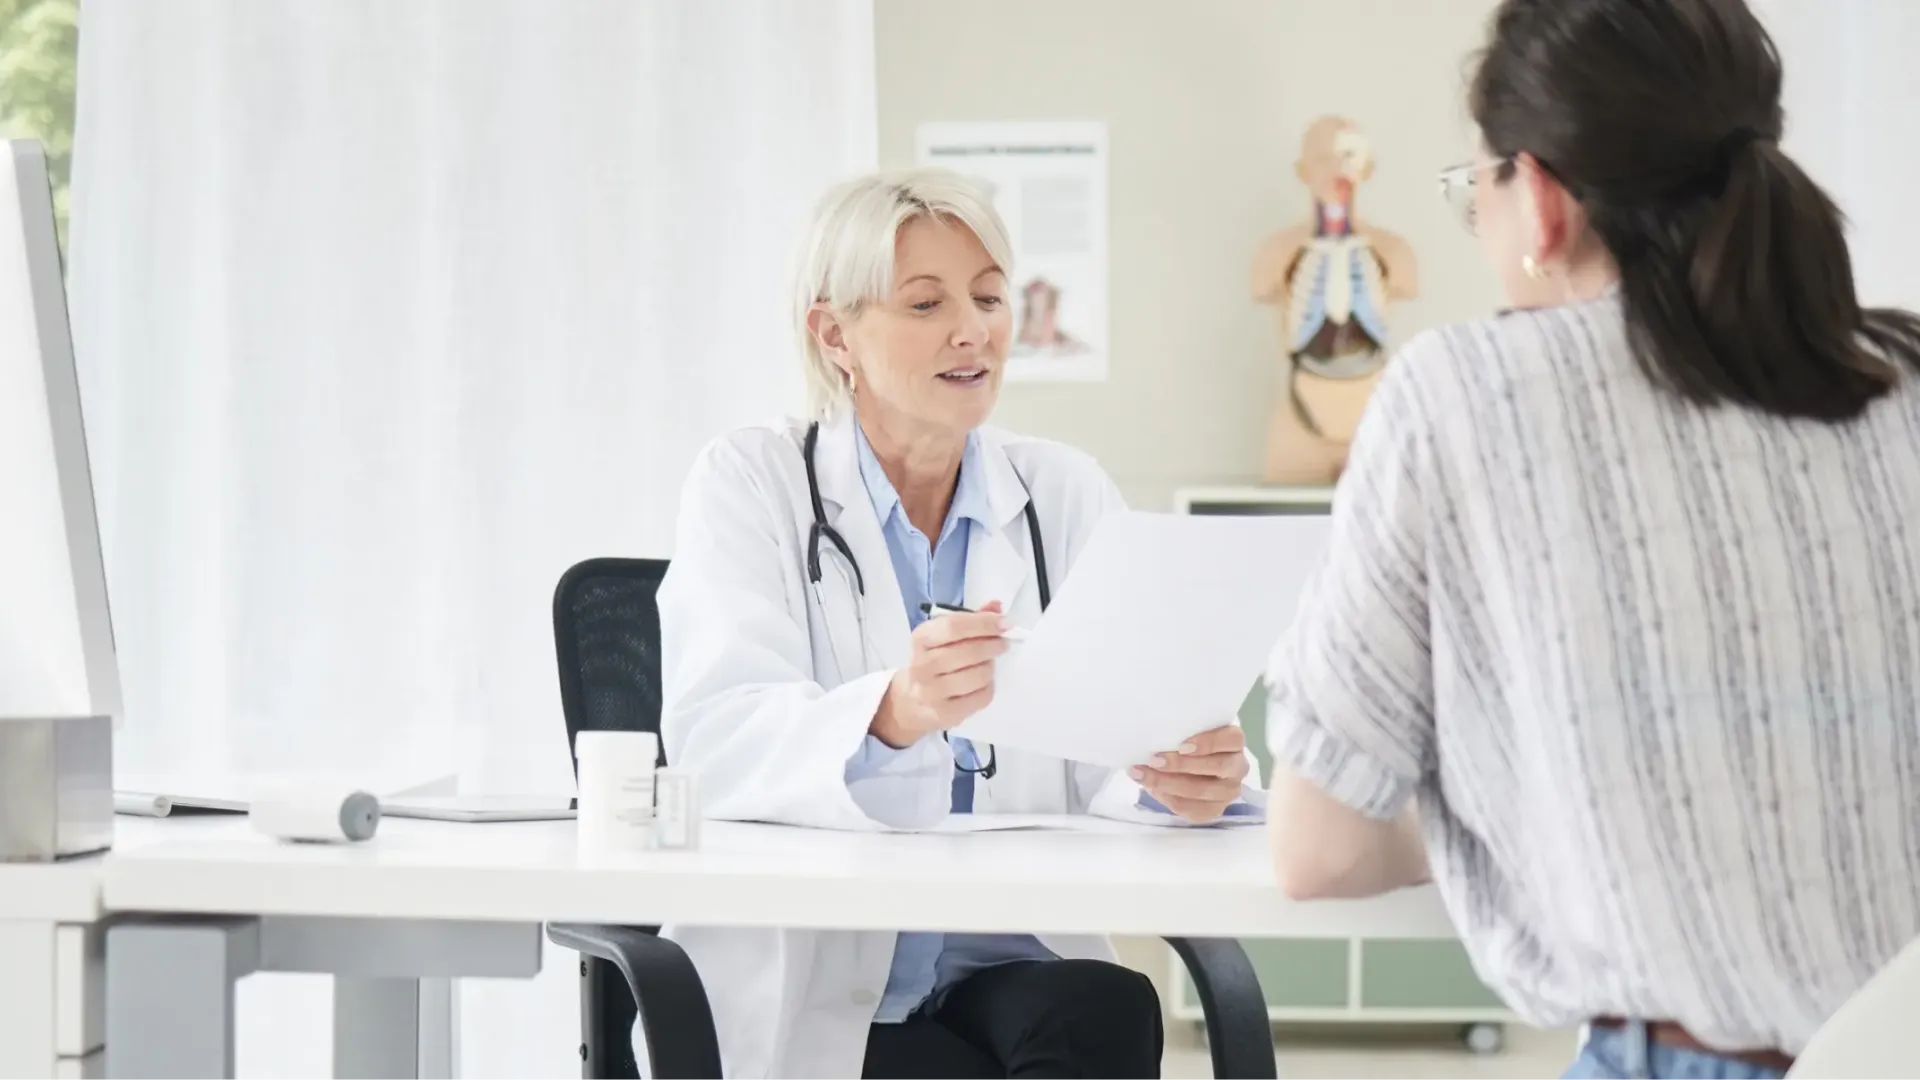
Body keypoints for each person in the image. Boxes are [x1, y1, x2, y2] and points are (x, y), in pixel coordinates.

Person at [1260, 1, 1920, 1079]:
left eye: (1479, 188)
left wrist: (1538, 794)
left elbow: (1317, 849)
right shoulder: (1902, 379)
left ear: (1546, 202)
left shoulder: (1465, 393)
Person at [656, 167, 1262, 1080]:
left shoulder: (1064, 492)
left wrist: (1180, 777)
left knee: (1105, 1008)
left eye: (988, 297)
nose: (972, 328)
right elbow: (716, 734)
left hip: (1008, 961)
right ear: (836, 335)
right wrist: (891, 713)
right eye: (926, 302)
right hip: (815, 977)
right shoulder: (751, 483)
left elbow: (1122, 742)